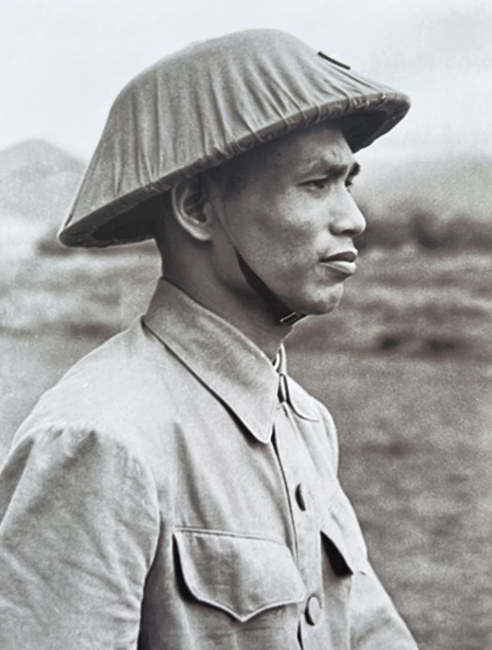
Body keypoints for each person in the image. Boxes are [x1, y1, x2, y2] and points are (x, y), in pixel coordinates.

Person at [0, 29, 419, 649]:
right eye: (316, 184)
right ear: (197, 208)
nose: (352, 218)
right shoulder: (100, 438)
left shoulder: (304, 421)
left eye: (348, 183)